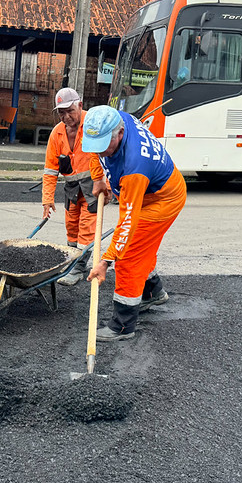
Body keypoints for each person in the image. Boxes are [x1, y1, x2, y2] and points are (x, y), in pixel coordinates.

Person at [82, 105, 187, 342]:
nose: (100, 151)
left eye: (104, 146)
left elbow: (126, 223)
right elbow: (95, 149)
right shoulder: (112, 120)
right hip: (153, 189)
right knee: (142, 247)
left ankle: (122, 325)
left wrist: (106, 261)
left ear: (119, 134)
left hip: (162, 200)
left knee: (129, 254)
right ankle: (152, 292)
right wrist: (98, 179)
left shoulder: (133, 168)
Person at [41, 88, 98, 286]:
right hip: (72, 189)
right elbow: (50, 170)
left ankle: (79, 268)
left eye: (70, 111)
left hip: (93, 188)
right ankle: (73, 262)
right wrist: (47, 200)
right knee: (71, 227)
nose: (66, 117)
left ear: (80, 106)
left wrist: (107, 185)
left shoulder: (93, 124)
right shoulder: (57, 134)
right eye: (61, 113)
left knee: (86, 229)